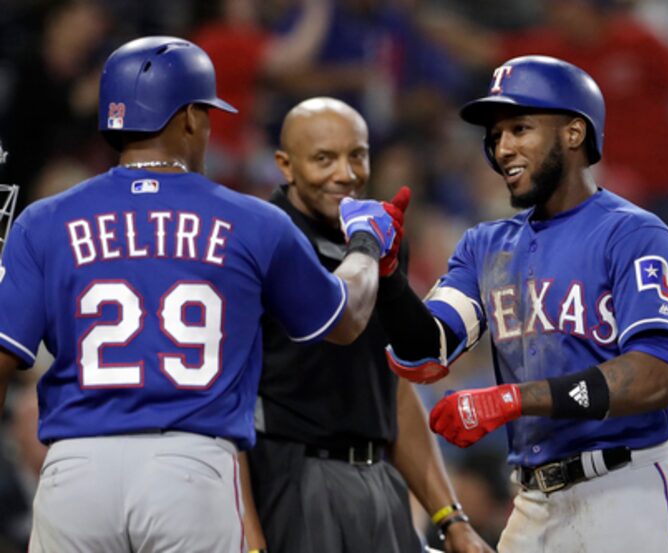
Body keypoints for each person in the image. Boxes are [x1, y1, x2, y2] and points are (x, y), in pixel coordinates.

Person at [0, 36, 398, 553]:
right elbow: (345, 321)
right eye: (206, 114)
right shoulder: (251, 218)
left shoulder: (43, 220)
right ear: (188, 117)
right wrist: (366, 245)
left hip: (76, 471)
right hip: (189, 468)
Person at [379, 55, 668, 552]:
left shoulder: (634, 234)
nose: (501, 147)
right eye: (495, 135)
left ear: (574, 133)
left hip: (627, 489)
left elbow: (654, 378)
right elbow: (427, 351)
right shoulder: (484, 245)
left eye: (520, 128)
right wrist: (390, 280)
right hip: (533, 501)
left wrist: (515, 398)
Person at [242, 97, 493, 553]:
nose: (345, 173)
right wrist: (249, 534)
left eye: (356, 154)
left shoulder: (380, 233)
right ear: (285, 165)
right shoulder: (260, 237)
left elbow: (394, 389)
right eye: (324, 158)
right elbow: (228, 398)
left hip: (378, 478)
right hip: (291, 479)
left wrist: (450, 518)